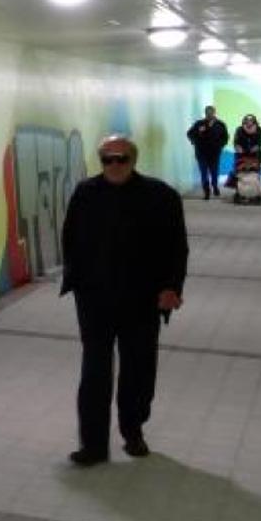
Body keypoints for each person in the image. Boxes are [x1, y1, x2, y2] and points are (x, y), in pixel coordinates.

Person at [60, 135, 188, 466]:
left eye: (121, 159)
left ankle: (133, 431)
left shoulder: (161, 196)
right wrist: (77, 282)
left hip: (142, 300)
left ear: (134, 159)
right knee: (94, 372)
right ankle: (93, 445)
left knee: (139, 369)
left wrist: (171, 287)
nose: (114, 165)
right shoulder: (86, 194)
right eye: (107, 159)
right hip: (95, 300)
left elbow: (177, 247)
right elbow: (71, 239)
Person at [186, 105, 228, 199]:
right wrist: (195, 140)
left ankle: (215, 186)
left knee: (214, 172)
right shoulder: (199, 124)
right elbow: (190, 134)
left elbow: (225, 137)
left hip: (214, 153)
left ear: (214, 113)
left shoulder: (220, 124)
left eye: (211, 112)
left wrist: (220, 145)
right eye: (207, 112)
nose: (209, 114)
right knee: (204, 172)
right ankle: (206, 191)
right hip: (201, 152)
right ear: (205, 113)